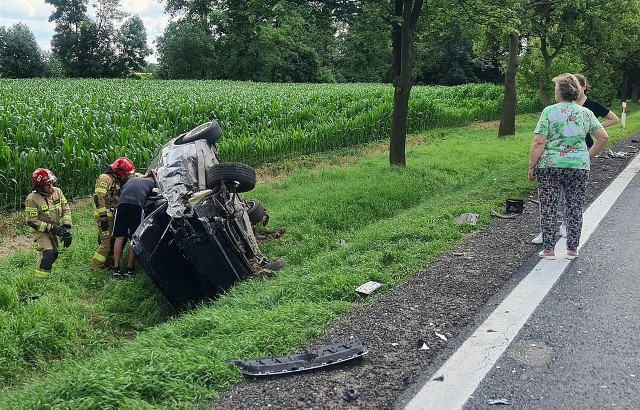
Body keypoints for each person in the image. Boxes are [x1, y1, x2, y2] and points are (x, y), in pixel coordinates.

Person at [531, 74, 620, 244]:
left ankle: (549, 246)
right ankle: (572, 248)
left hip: (552, 162)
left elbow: (539, 141)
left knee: (549, 204)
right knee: (575, 205)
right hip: (578, 161)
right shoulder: (586, 112)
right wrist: (586, 157)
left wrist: (531, 166)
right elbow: (603, 138)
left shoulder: (550, 111)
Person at [24, 168, 72, 276]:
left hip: (54, 229)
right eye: (47, 184)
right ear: (39, 186)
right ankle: (39, 283)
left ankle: (45, 274)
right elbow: (32, 221)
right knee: (48, 253)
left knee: (54, 255)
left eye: (51, 183)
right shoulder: (32, 199)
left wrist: (66, 227)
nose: (50, 187)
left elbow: (66, 208)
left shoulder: (57, 192)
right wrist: (53, 229)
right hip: (40, 231)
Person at [91, 157, 135, 269]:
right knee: (106, 245)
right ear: (119, 172)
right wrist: (103, 218)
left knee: (113, 241)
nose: (128, 177)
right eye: (126, 174)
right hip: (105, 217)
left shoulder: (117, 179)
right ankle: (95, 268)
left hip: (113, 215)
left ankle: (108, 264)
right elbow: (98, 198)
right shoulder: (105, 178)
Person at [112, 170, 156, 278]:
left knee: (119, 236)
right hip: (136, 205)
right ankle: (129, 269)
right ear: (154, 178)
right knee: (134, 238)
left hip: (121, 205)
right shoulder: (152, 184)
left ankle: (116, 268)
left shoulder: (132, 180)